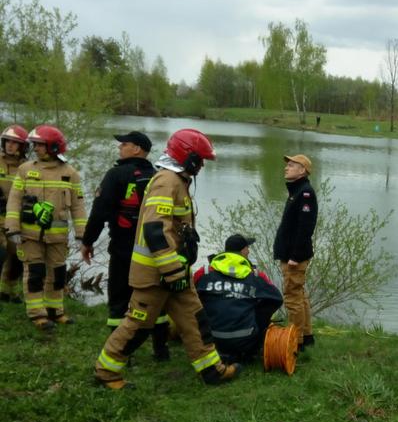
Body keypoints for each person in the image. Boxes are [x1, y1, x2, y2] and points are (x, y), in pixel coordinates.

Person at [94, 128, 240, 390]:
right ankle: (106, 371)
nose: (203, 165)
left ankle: (212, 370)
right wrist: (171, 269)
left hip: (174, 272)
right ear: (188, 156)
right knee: (138, 326)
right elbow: (154, 230)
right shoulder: (166, 182)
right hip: (155, 274)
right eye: (201, 159)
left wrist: (177, 269)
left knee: (195, 319)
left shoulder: (177, 180)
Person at [80, 131, 170, 360]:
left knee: (119, 300)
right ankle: (161, 350)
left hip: (123, 249)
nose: (120, 147)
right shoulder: (158, 177)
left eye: (125, 144)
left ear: (137, 148)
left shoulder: (116, 175)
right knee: (154, 300)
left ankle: (119, 352)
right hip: (153, 252)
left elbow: (99, 211)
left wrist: (88, 241)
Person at [5, 125, 87, 330]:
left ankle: (55, 311)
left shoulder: (70, 174)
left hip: (58, 237)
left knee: (57, 274)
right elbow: (14, 201)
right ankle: (37, 314)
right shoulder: (26, 170)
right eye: (35, 145)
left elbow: (78, 206)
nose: (36, 149)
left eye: (40, 145)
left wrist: (81, 235)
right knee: (34, 273)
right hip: (29, 235)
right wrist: (12, 229)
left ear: (54, 147)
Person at [194, 233, 283, 362]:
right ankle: (249, 351)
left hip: (211, 340)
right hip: (246, 341)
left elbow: (189, 297)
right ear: (242, 251)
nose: (249, 251)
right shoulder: (255, 275)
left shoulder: (204, 272)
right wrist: (258, 315)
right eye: (247, 248)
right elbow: (277, 298)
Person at [273, 154, 318, 350]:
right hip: (290, 254)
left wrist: (295, 256)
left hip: (294, 257)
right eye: (287, 165)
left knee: (292, 297)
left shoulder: (305, 193)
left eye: (291, 165)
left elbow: (305, 227)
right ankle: (306, 336)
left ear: (302, 171)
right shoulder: (297, 191)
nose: (286, 168)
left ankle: (296, 340)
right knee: (299, 294)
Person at [0, 125, 29, 302]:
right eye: (8, 141)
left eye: (15, 143)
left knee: (16, 257)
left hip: (15, 219)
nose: (10, 145)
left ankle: (8, 292)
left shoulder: (26, 167)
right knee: (0, 253)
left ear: (23, 146)